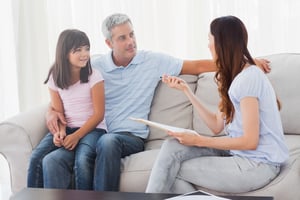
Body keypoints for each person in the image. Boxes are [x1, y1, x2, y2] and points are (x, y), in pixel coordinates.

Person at [44, 13, 271, 191]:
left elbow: (198, 66)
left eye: (132, 34)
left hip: (128, 137)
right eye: (122, 38)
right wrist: (51, 111)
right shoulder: (96, 67)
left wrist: (244, 61)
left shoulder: (152, 61)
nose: (131, 41)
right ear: (108, 42)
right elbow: (66, 88)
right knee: (53, 160)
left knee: (108, 142)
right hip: (95, 133)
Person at [145, 15, 289, 194]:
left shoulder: (249, 78)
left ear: (221, 43)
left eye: (209, 39)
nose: (208, 45)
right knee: (172, 147)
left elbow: (250, 141)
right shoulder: (234, 76)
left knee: (171, 169)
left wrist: (197, 140)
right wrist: (186, 91)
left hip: (258, 165)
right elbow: (216, 125)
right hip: (238, 155)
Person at [27, 29, 107, 190]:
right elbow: (59, 112)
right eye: (78, 50)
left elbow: (99, 114)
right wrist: (60, 132)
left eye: (87, 48)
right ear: (64, 54)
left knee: (82, 159)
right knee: (36, 157)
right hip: (68, 128)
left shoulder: (94, 76)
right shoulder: (55, 77)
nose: (84, 54)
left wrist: (76, 136)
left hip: (94, 130)